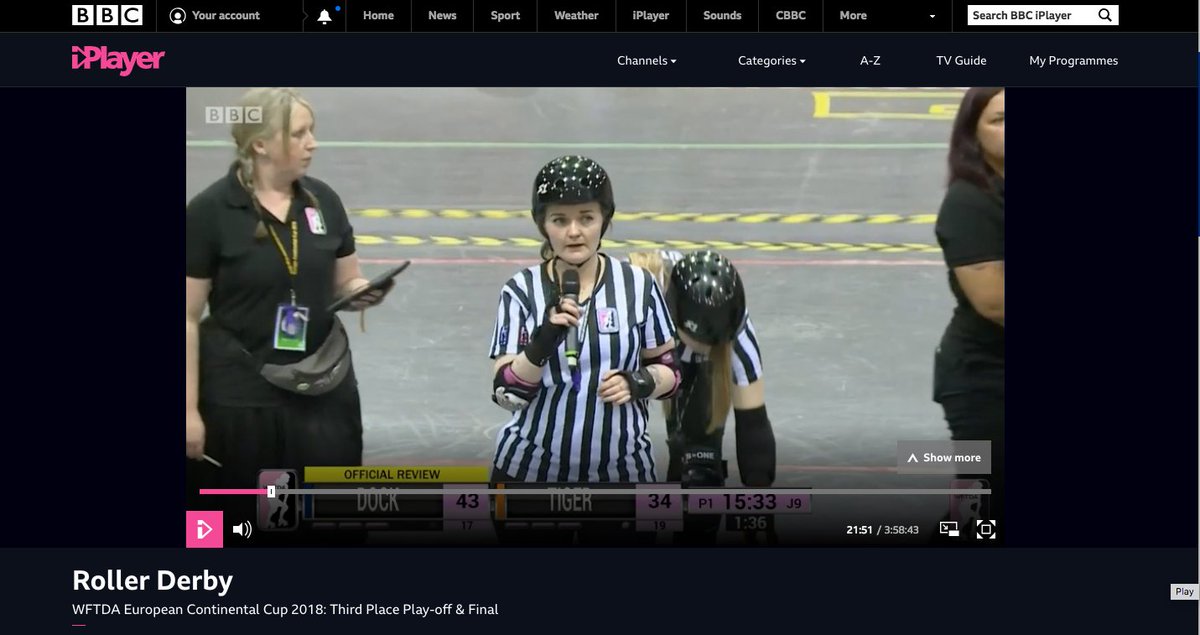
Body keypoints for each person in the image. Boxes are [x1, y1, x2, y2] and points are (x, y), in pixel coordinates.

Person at [185, 88, 392, 535]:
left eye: (311, 132)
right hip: (239, 396)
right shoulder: (209, 213)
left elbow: (347, 279)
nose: (312, 143)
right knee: (231, 524)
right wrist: (187, 412)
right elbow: (185, 318)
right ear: (260, 144)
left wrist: (363, 292)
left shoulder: (323, 202)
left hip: (321, 390)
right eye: (299, 134)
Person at [488, 155, 681, 485]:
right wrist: (544, 340)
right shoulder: (520, 290)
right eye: (560, 220)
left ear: (604, 220)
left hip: (623, 473)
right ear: (542, 225)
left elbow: (671, 372)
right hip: (530, 471)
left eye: (586, 218)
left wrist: (639, 382)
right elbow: (507, 393)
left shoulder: (639, 285)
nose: (574, 232)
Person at [627, 249, 776, 543]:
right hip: (636, 360)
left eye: (714, 341)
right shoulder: (629, 302)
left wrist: (759, 516)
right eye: (701, 341)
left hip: (694, 368)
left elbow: (753, 425)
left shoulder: (735, 326)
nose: (707, 347)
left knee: (700, 477)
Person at [932, 87, 1005, 536]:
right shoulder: (968, 203)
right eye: (999, 120)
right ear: (973, 136)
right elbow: (996, 302)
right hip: (987, 380)